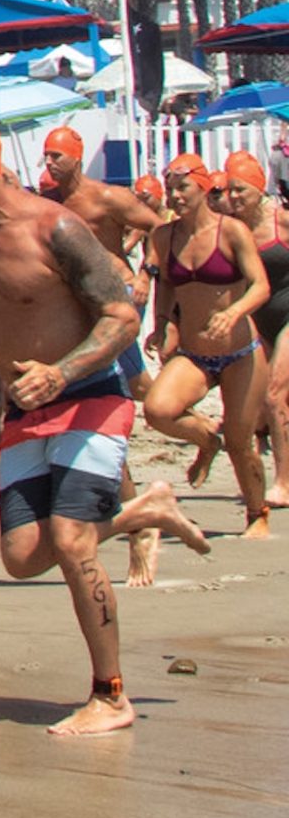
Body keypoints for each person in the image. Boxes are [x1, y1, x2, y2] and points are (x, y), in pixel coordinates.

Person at [0, 113, 206, 738]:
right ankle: (143, 509)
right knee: (22, 557)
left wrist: (62, 371)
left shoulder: (56, 228)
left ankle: (110, 695)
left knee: (74, 543)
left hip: (90, 394)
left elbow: (121, 317)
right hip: (26, 408)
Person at [139, 152, 271, 537]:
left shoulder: (230, 231)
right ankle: (205, 440)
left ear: (202, 187)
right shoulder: (164, 235)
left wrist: (234, 312)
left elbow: (260, 285)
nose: (175, 196)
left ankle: (256, 513)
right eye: (170, 189)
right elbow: (166, 285)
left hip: (241, 352)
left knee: (241, 442)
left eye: (183, 188)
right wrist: (161, 323)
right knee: (158, 410)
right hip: (195, 352)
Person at [216, 149, 289, 510]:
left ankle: (284, 483)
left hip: (288, 314)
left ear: (259, 189)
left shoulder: (282, 221)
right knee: (254, 403)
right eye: (229, 190)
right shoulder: (229, 229)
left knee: (276, 395)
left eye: (240, 190)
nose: (233, 197)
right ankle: (255, 474)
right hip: (255, 320)